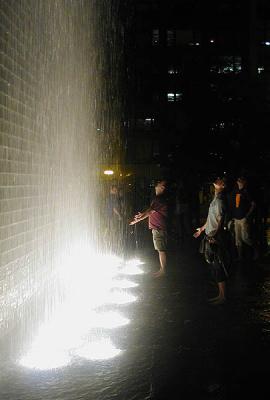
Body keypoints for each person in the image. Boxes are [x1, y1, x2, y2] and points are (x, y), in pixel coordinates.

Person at [193, 177, 229, 305]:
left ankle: (223, 296)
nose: (217, 181)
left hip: (214, 237)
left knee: (218, 265)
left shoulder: (219, 201)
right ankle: (220, 294)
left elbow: (220, 220)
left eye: (220, 181)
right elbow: (210, 218)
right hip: (210, 235)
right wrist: (201, 230)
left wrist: (215, 236)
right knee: (214, 266)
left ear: (223, 186)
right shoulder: (215, 199)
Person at [129, 180, 168, 277]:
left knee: (161, 250)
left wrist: (137, 220)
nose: (164, 187)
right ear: (156, 186)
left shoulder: (160, 199)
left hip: (159, 228)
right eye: (162, 185)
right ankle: (162, 269)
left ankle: (163, 270)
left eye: (164, 186)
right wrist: (142, 214)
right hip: (157, 228)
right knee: (160, 249)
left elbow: (150, 211)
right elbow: (151, 209)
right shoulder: (157, 199)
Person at [229, 176, 258, 261]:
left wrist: (247, 215)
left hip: (243, 218)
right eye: (238, 180)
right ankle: (240, 257)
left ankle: (256, 250)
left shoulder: (246, 192)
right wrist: (232, 217)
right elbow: (232, 204)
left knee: (245, 238)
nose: (239, 182)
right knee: (237, 240)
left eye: (241, 181)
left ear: (244, 182)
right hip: (236, 218)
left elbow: (253, 204)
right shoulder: (235, 191)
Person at [105, 185, 122, 253]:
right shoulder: (113, 197)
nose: (116, 191)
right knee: (113, 231)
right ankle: (113, 246)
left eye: (116, 190)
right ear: (111, 190)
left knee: (108, 229)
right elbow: (114, 208)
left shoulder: (108, 197)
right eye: (115, 190)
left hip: (107, 216)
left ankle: (106, 241)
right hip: (112, 217)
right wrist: (119, 215)